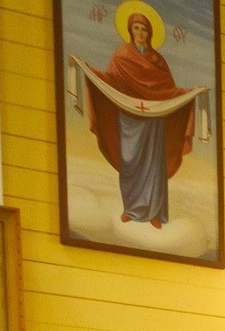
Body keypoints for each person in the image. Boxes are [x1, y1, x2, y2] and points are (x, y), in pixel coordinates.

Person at [77, 9, 204, 230]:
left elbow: (168, 91)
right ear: (130, 30)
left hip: (154, 120)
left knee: (154, 165)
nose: (141, 32)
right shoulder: (122, 54)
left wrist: (188, 93)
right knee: (131, 162)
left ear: (150, 32)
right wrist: (90, 71)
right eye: (137, 28)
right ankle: (131, 209)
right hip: (130, 119)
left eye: (144, 29)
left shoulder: (158, 60)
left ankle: (155, 212)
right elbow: (112, 80)